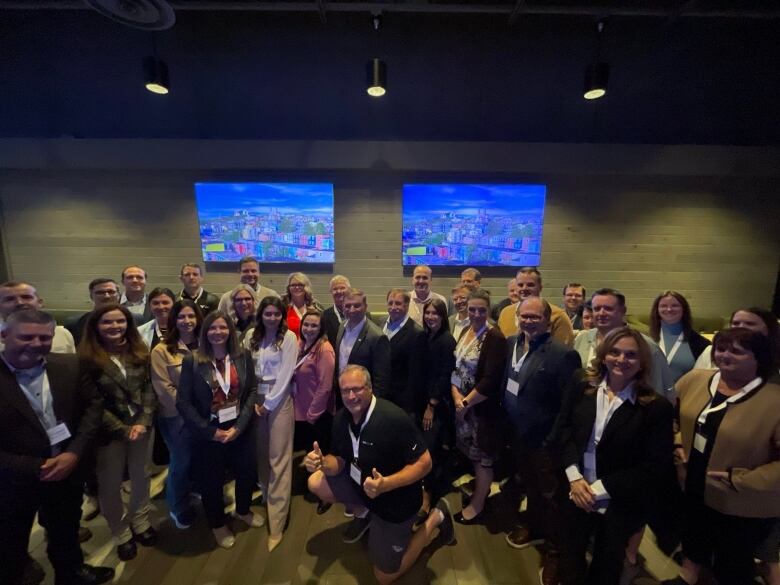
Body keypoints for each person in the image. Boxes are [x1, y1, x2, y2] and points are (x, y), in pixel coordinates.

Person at [305, 365, 454, 585]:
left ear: (370, 388)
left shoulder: (393, 419)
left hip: (396, 502)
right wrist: (321, 462)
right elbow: (340, 461)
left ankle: (436, 517)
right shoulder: (341, 419)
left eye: (357, 389)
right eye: (345, 390)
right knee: (315, 481)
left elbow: (425, 463)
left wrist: (386, 484)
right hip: (364, 489)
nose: (350, 396)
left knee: (384, 576)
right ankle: (365, 514)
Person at [0, 309, 114, 585]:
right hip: (13, 481)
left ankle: (71, 574)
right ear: (4, 335)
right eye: (26, 336)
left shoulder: (69, 365)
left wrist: (73, 453)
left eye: (44, 337)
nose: (36, 343)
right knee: (9, 545)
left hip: (67, 468)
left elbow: (93, 407)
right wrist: (36, 466)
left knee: (65, 530)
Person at [558, 327, 674, 585]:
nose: (622, 360)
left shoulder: (655, 407)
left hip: (620, 499)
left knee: (607, 562)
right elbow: (564, 430)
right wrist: (575, 478)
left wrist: (598, 489)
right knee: (571, 553)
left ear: (643, 361)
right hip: (575, 488)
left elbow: (655, 466)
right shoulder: (581, 384)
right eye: (615, 352)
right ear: (603, 355)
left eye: (631, 355)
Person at [664, 328, 780, 585]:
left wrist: (740, 479)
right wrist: (677, 444)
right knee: (693, 537)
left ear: (758, 358)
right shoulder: (694, 379)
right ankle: (689, 578)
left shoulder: (774, 401)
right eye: (721, 348)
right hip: (693, 480)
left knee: (733, 561)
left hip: (740, 496)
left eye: (736, 351)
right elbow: (669, 418)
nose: (725, 355)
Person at [502, 298, 581, 585]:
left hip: (545, 442)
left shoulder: (562, 355)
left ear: (548, 320)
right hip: (518, 435)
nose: (528, 321)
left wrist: (552, 439)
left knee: (552, 500)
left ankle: (554, 552)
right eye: (524, 316)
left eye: (535, 317)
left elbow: (567, 405)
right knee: (531, 489)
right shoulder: (512, 343)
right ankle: (534, 529)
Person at [176, 311, 262, 549]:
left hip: (239, 428)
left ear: (230, 331)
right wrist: (210, 431)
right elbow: (182, 402)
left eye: (223, 328)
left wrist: (239, 426)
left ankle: (243, 510)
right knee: (211, 481)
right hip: (208, 432)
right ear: (205, 332)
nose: (218, 332)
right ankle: (217, 523)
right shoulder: (193, 360)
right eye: (212, 328)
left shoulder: (242, 355)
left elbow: (252, 391)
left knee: (246, 472)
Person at [78, 304, 157, 561]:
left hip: (142, 426)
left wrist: (143, 421)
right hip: (109, 432)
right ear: (96, 327)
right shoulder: (87, 359)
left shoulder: (139, 350)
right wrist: (123, 429)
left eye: (120, 322)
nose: (115, 327)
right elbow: (92, 401)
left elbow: (148, 388)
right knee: (110, 484)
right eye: (108, 322)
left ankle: (141, 520)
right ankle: (121, 532)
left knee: (141, 476)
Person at [246, 296, 298, 551]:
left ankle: (276, 522)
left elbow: (286, 374)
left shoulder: (288, 338)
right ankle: (267, 495)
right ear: (261, 314)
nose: (272, 318)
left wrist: (268, 404)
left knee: (279, 458)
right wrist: (253, 402)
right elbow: (246, 370)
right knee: (260, 455)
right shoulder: (250, 337)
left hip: (279, 401)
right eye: (267, 313)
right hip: (255, 398)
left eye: (276, 314)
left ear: (282, 316)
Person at [451, 289, 507, 524]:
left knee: (482, 460)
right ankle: (477, 493)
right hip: (462, 405)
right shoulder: (465, 330)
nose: (475, 314)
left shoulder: (494, 337)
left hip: (481, 410)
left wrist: (465, 402)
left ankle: (478, 505)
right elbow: (456, 368)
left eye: (481, 310)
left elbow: (491, 379)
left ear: (488, 310)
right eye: (472, 309)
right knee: (471, 457)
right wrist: (455, 396)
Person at [150, 299, 203, 529]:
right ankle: (177, 506)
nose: (187, 321)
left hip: (205, 415)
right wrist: (190, 412)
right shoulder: (162, 350)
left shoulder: (206, 343)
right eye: (181, 317)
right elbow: (165, 388)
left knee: (199, 458)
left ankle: (194, 491)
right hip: (176, 417)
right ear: (174, 320)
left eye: (191, 316)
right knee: (180, 462)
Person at [574, 288, 674, 401]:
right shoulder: (582, 339)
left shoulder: (646, 345)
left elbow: (658, 390)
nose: (601, 313)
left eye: (608, 308)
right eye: (596, 309)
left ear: (623, 311)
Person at [292, 310, 336, 514]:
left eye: (314, 326)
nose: (309, 329)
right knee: (309, 453)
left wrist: (312, 413)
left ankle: (325, 494)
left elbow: (325, 386)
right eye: (306, 325)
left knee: (322, 454)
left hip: (317, 414)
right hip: (300, 411)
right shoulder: (300, 345)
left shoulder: (324, 349)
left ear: (321, 328)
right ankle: (312, 483)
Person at [417, 298, 456, 523]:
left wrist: (431, 406)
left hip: (436, 406)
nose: (431, 317)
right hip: (422, 402)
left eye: (435, 313)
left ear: (442, 316)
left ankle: (428, 497)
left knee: (430, 450)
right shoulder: (425, 337)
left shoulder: (446, 341)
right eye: (427, 313)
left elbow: (444, 376)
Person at [334, 288, 391, 397]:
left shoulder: (377, 337)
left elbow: (381, 380)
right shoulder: (342, 327)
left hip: (362, 398)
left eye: (357, 305)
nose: (352, 310)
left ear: (365, 307)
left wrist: (373, 406)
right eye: (347, 306)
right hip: (342, 393)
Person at [497, 268, 575, 346]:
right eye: (520, 285)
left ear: (540, 287)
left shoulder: (558, 316)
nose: (524, 288)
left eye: (530, 285)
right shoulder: (505, 313)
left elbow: (563, 352)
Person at [648, 291, 710, 384]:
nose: (669, 309)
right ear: (657, 310)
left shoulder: (701, 344)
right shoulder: (646, 339)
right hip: (650, 395)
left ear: (684, 309)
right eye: (663, 306)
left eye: (675, 305)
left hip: (684, 396)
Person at [694, 306, 780, 371]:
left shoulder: (774, 354)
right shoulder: (710, 352)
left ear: (768, 328)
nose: (741, 327)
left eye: (750, 324)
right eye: (736, 323)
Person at [381, 289, 425, 414]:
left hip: (401, 399)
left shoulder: (416, 333)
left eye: (398, 303)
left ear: (407, 305)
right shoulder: (380, 323)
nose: (393, 307)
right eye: (390, 303)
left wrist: (409, 406)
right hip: (381, 394)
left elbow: (415, 375)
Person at [0, 280, 75, 353]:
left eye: (26, 297)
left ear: (40, 303)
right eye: (9, 299)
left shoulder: (62, 333)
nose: (19, 303)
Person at [65, 278, 143, 346]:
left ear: (118, 295)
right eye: (100, 292)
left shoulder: (137, 319)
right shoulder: (74, 323)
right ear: (91, 296)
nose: (107, 296)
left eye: (111, 292)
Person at [282, 272, 324, 338]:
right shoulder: (283, 307)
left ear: (306, 287)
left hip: (312, 347)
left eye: (300, 285)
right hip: (290, 346)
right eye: (293, 285)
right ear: (289, 288)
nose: (297, 287)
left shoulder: (317, 307)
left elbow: (323, 331)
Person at [322, 275, 351, 345]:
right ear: (331, 292)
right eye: (335, 289)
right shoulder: (324, 316)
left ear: (349, 290)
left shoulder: (362, 314)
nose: (339, 291)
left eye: (342, 288)